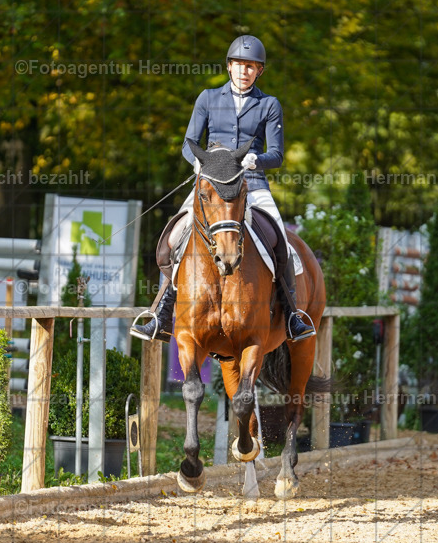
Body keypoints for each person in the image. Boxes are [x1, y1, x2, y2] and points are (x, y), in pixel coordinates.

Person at [131, 35, 316, 344]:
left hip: (251, 185)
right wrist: (197, 164)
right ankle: (161, 312)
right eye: (240, 65)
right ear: (229, 67)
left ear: (259, 72)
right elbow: (190, 144)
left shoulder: (269, 104)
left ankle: (293, 315)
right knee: (174, 237)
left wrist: (257, 160)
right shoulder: (207, 98)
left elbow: (278, 155)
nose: (245, 71)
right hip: (211, 185)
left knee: (281, 241)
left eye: (252, 67)